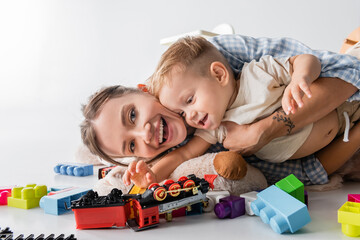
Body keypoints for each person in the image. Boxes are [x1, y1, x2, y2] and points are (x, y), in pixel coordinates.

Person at [81, 34, 360, 187]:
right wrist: (150, 175)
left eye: (132, 115)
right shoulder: (212, 129)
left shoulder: (236, 69)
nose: (145, 131)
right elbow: (183, 154)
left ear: (145, 89)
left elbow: (338, 68)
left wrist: (263, 128)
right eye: (132, 145)